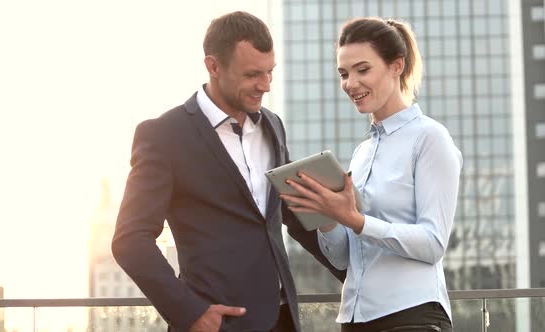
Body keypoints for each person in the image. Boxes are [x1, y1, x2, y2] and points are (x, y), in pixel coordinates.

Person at [112, 11, 341, 332]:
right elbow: (130, 240)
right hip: (216, 323)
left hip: (283, 319)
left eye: (269, 73)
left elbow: (289, 213)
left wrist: (351, 270)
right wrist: (189, 312)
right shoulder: (163, 135)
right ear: (213, 66)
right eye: (252, 75)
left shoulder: (272, 125)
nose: (265, 85)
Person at [281, 17, 462, 332]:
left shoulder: (430, 138)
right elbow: (342, 260)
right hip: (355, 319)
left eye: (363, 70)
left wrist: (356, 220)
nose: (351, 83)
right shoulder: (362, 153)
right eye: (344, 74)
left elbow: (433, 243)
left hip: (412, 317)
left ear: (396, 66)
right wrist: (327, 218)